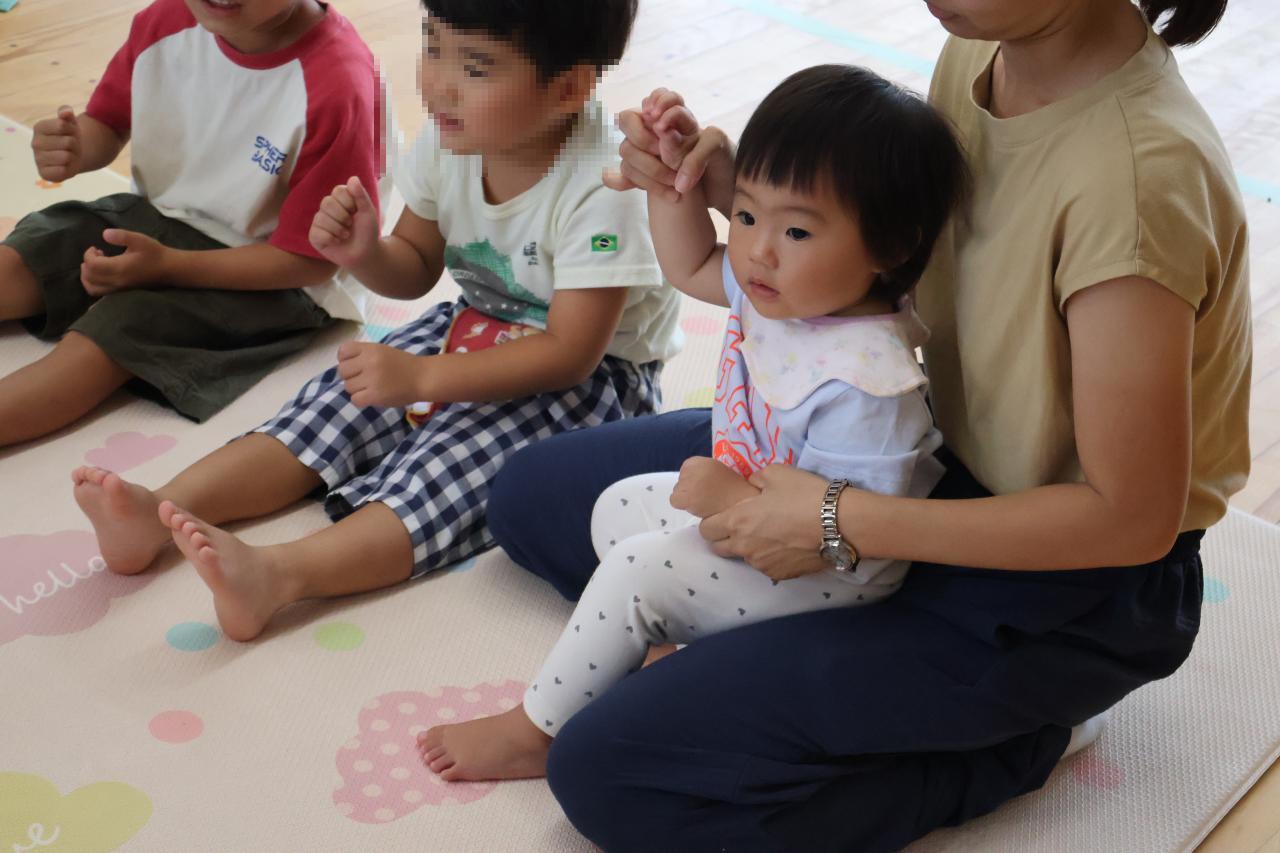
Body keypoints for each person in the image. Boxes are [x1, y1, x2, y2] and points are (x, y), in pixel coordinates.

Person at [482, 0, 1252, 849]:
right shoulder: (985, 50)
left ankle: (1022, 740)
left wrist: (832, 518)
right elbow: (904, 258)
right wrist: (753, 197)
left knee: (606, 769)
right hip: (907, 450)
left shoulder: (1136, 182)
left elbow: (1131, 520)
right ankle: (749, 655)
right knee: (530, 498)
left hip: (1060, 582)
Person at [417, 64, 969, 782]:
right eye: (747, 214)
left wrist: (729, 498)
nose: (757, 249)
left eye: (796, 229)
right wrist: (671, 182)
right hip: (754, 508)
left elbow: (854, 540)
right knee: (619, 508)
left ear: (892, 247)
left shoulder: (870, 383)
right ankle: (662, 646)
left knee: (636, 569)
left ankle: (536, 731)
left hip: (829, 576)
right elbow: (690, 263)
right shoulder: (792, 293)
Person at [71, 0, 680, 643]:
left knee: (445, 469)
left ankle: (278, 576)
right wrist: (363, 253)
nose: (438, 83)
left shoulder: (604, 186)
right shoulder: (454, 137)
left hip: (592, 381)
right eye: (433, 45)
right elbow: (413, 265)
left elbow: (571, 353)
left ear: (568, 88)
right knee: (330, 407)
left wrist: (423, 379)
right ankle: (158, 510)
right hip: (473, 324)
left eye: (475, 67)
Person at [0, 0, 382, 446]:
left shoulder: (338, 85)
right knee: (32, 252)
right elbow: (107, 123)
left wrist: (168, 267)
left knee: (113, 333)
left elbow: (312, 262)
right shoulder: (166, 21)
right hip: (158, 219)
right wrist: (75, 147)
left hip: (273, 278)